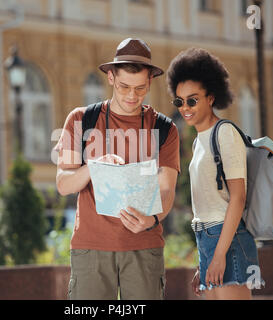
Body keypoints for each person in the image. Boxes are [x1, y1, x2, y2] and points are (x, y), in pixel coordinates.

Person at [55, 38, 180, 300]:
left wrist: (153, 219)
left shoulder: (165, 129)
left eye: (140, 88)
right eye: (124, 87)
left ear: (150, 82)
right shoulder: (80, 119)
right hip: (91, 249)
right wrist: (93, 167)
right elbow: (63, 184)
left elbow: (167, 189)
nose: (132, 96)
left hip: (145, 247)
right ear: (110, 77)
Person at [166, 47, 263, 300]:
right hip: (207, 238)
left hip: (226, 238)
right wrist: (205, 260)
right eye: (180, 101)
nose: (185, 107)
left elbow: (238, 198)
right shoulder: (199, 141)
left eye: (193, 99)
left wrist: (220, 255)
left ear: (211, 97)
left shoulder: (225, 133)